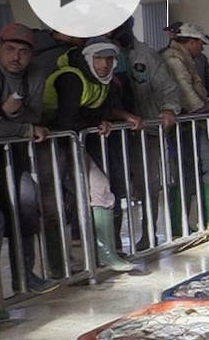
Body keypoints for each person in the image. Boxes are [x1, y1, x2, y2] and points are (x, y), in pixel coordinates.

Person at [42, 38, 144, 272]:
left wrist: (109, 118)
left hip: (70, 141)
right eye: (99, 58)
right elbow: (67, 119)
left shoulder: (101, 81)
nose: (104, 65)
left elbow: (93, 110)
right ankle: (58, 268)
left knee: (101, 190)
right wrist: (97, 121)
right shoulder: (72, 78)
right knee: (52, 205)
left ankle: (104, 252)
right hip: (48, 142)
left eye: (109, 59)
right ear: (88, 58)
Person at [109, 18, 188, 247]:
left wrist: (168, 109)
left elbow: (168, 87)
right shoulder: (98, 52)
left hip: (146, 130)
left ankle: (148, 233)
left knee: (148, 185)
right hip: (111, 134)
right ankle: (112, 244)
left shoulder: (146, 55)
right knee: (113, 189)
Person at [160, 23, 209, 235]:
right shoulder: (174, 59)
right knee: (193, 173)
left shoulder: (184, 58)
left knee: (191, 173)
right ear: (191, 42)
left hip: (190, 123)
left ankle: (193, 222)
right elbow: (186, 92)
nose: (202, 48)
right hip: (184, 124)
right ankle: (189, 223)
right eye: (200, 43)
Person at [0, 22, 55, 292]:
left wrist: (11, 115)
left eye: (23, 51)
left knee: (27, 206)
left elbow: (35, 115)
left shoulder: (35, 73)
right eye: (10, 49)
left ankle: (25, 277)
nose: (16, 57)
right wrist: (21, 126)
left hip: (13, 154)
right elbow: (30, 124)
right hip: (12, 147)